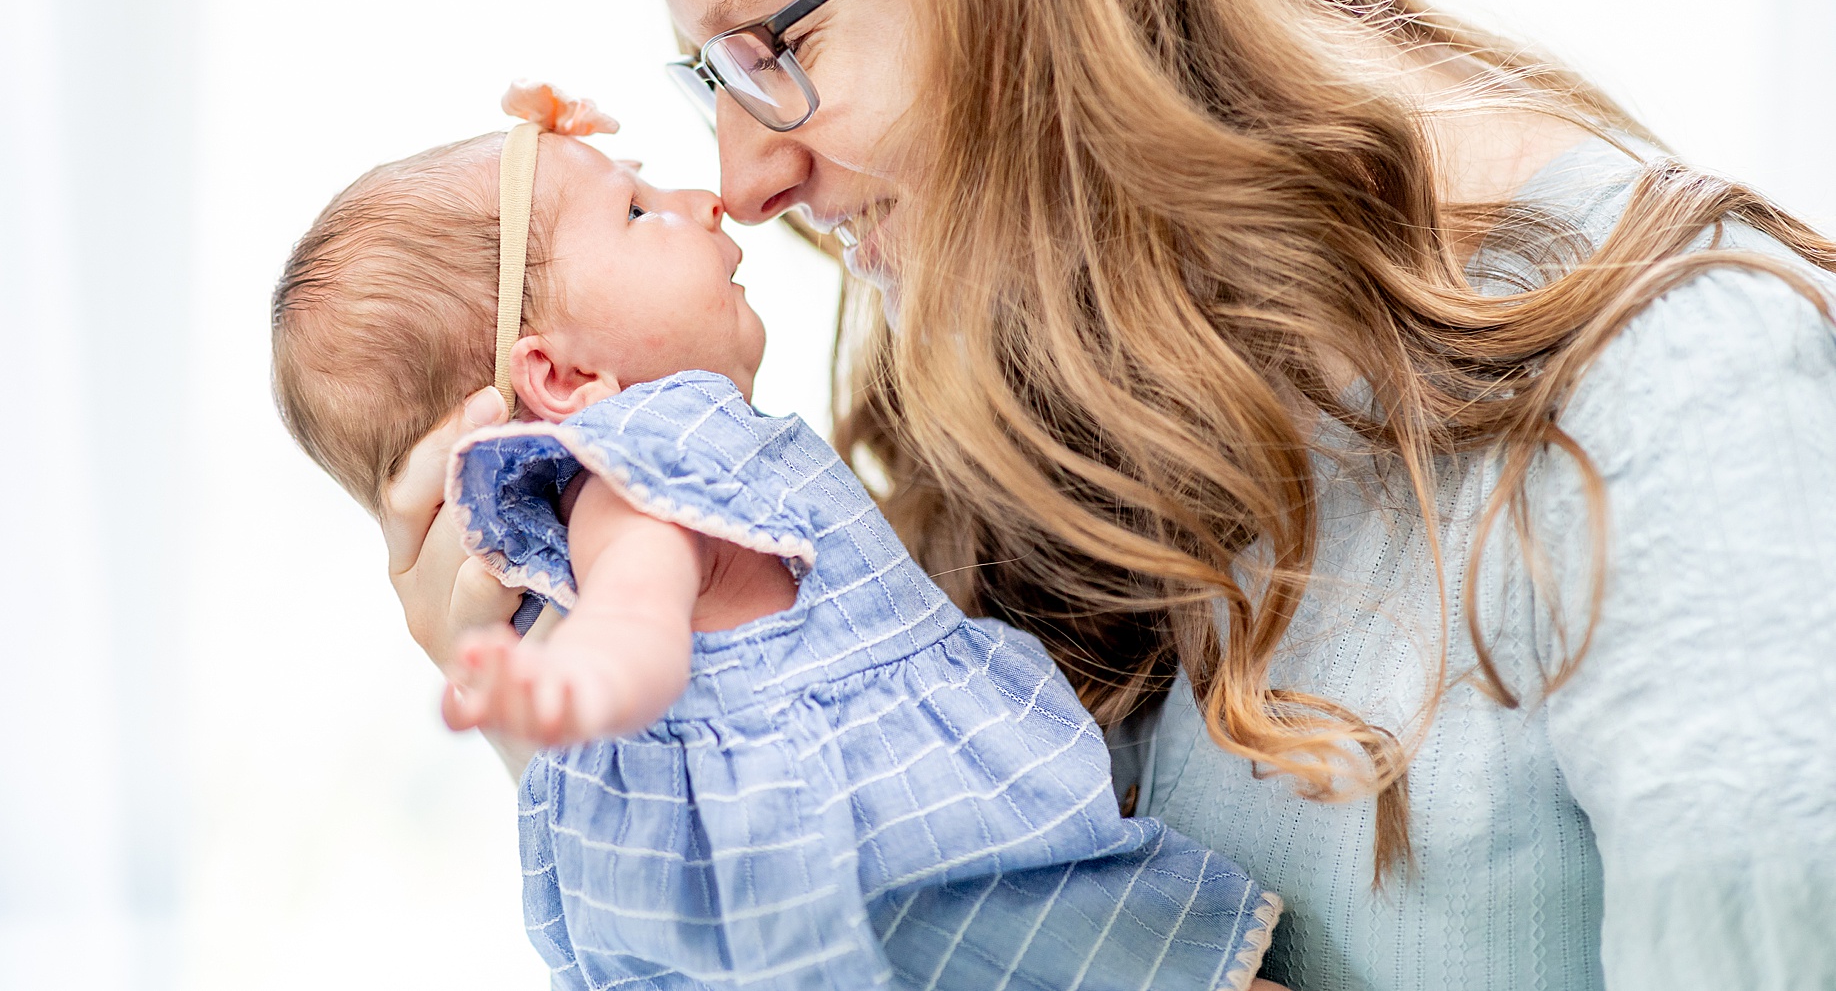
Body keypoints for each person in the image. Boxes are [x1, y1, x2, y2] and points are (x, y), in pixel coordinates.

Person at [378, 0, 1836, 987]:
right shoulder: (1044, 418)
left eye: (774, 48)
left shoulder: (1683, 390)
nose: (744, 178)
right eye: (715, 78)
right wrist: (652, 780)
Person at [270, 98, 1282, 989]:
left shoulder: (663, 465)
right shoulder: (641, 459)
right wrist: (594, 674)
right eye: (633, 213)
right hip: (896, 859)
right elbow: (637, 594)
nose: (701, 199)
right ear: (563, 379)